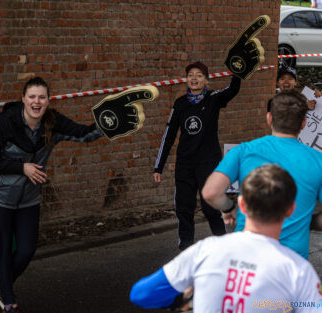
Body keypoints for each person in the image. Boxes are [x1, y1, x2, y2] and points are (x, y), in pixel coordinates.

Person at [0, 77, 103, 313]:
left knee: (26, 250)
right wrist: (22, 167)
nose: (37, 101)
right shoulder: (5, 123)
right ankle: (8, 303)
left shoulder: (53, 122)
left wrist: (107, 125)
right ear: (24, 99)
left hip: (28, 197)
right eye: (32, 97)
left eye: (42, 97)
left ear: (48, 100)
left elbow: (82, 134)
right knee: (4, 246)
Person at [131, 164, 322, 312]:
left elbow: (142, 294)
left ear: (242, 205)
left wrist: (184, 300)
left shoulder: (206, 250)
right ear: (290, 210)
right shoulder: (298, 270)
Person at [202, 90, 322, 259]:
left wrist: (229, 208)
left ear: (269, 118)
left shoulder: (243, 151)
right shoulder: (319, 160)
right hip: (292, 260)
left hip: (246, 255)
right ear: (303, 123)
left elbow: (210, 192)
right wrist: (311, 222)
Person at [153, 61, 241, 250]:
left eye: (199, 75)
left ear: (206, 80)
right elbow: (169, 135)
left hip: (208, 162)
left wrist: (238, 72)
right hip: (185, 163)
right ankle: (186, 248)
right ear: (186, 79)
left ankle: (221, 244)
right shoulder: (180, 103)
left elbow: (232, 90)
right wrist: (158, 166)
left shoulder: (213, 98)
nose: (194, 78)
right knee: (184, 207)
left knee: (210, 206)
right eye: (191, 75)